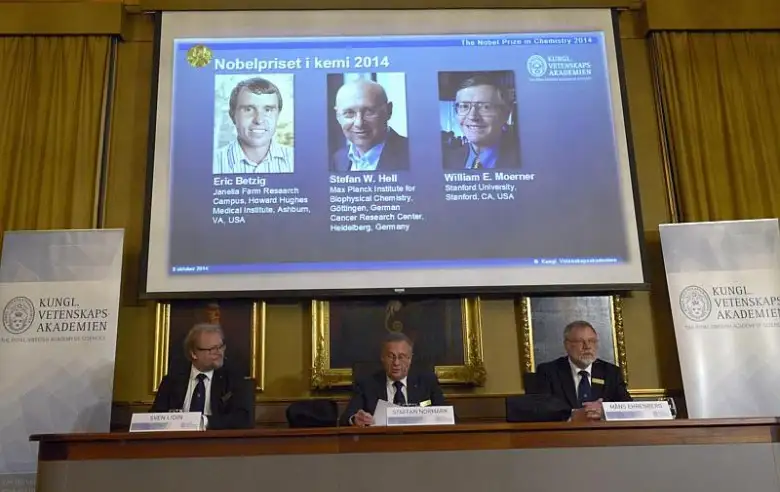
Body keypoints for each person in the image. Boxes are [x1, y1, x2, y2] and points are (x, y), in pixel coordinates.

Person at [150, 323, 253, 429]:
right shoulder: (172, 380)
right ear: (193, 353)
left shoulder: (234, 378)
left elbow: (244, 419)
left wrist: (204, 422)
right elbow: (155, 417)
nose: (219, 353)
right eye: (212, 349)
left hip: (216, 438)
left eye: (221, 347)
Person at [532, 320, 631, 421]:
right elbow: (541, 409)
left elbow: (628, 407)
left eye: (591, 341)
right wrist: (572, 415)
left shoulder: (611, 372)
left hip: (602, 430)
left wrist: (604, 411)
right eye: (580, 341)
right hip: (565, 430)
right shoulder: (548, 372)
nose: (587, 346)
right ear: (567, 345)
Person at [340, 332, 446, 426]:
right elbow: (346, 418)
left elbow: (445, 415)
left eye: (401, 357)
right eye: (391, 356)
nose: (396, 363)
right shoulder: (367, 384)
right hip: (380, 440)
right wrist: (355, 419)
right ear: (382, 357)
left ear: (410, 359)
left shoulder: (427, 382)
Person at [213, 77, 294, 174]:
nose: (259, 120)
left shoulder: (297, 159)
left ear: (278, 115)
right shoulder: (211, 162)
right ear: (232, 115)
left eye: (268, 110)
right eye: (248, 109)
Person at [442, 74, 520, 170]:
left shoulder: (525, 158)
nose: (472, 116)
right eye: (464, 106)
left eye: (485, 107)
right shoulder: (447, 160)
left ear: (505, 114)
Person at [330, 79, 410, 172]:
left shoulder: (413, 155)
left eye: (369, 112)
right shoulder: (338, 159)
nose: (359, 123)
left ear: (388, 111)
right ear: (337, 115)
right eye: (349, 113)